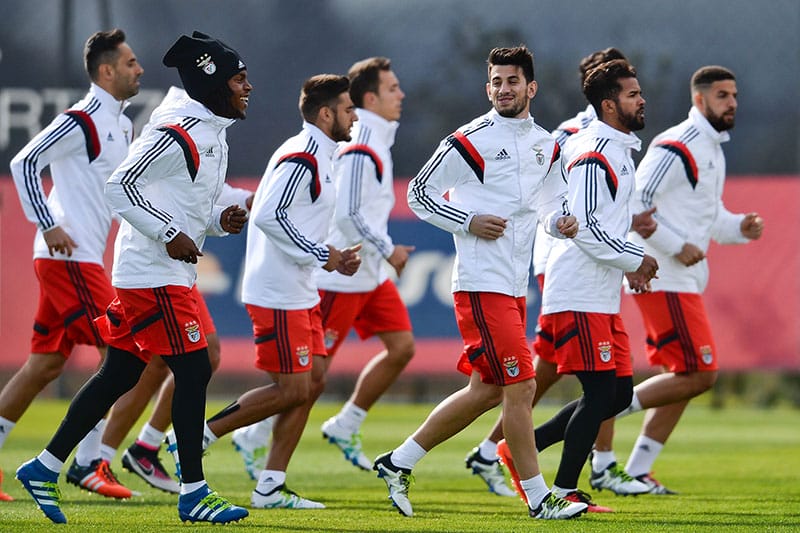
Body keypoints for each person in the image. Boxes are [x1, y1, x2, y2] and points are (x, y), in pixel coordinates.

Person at [15, 31, 252, 525]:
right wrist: (168, 233)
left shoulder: (212, 132)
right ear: (212, 83)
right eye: (237, 78)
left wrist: (217, 222)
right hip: (152, 274)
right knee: (193, 371)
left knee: (118, 374)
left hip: (160, 271)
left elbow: (189, 205)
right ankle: (194, 492)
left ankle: (44, 466)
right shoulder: (177, 131)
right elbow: (117, 187)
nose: (247, 87)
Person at [373, 45, 586, 520]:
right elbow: (419, 194)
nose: (503, 89)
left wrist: (561, 224)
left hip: (514, 285)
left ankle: (397, 461)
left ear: (531, 88)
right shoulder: (469, 139)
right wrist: (467, 219)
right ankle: (539, 498)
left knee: (487, 391)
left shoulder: (546, 144)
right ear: (487, 87)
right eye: (495, 81)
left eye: (512, 81)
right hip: (479, 283)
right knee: (522, 387)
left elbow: (552, 206)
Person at [165, 74, 361, 510]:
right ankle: (196, 439)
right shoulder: (303, 155)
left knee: (312, 383)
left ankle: (270, 485)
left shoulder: (324, 155)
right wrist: (322, 253)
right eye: (348, 109)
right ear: (326, 114)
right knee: (294, 388)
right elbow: (269, 215)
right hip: (277, 290)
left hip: (300, 288)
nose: (354, 116)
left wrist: (329, 257)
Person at [230, 57, 415, 477]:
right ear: (368, 99)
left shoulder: (374, 140)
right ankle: (253, 437)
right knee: (310, 378)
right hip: (341, 276)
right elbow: (347, 213)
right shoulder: (358, 145)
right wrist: (383, 248)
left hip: (366, 273)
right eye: (392, 88)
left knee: (402, 347)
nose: (400, 94)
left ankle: (346, 423)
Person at [590, 65, 764, 495]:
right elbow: (635, 205)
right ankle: (602, 409)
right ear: (700, 100)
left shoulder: (711, 150)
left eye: (735, 95)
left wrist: (739, 227)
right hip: (661, 275)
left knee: (684, 376)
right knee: (700, 374)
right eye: (723, 96)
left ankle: (637, 470)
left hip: (682, 276)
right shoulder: (677, 145)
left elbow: (709, 219)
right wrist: (675, 244)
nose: (733, 103)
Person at [466, 47, 629, 500]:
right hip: (562, 269)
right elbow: (563, 212)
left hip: (595, 276)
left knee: (561, 375)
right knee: (552, 377)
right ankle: (577, 472)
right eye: (630, 89)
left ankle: (505, 450)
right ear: (606, 94)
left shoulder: (614, 143)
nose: (639, 98)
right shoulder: (569, 138)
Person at [1, 29, 143, 502]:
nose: (138, 69)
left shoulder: (121, 125)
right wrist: (47, 223)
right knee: (121, 351)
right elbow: (24, 162)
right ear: (107, 71)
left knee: (44, 365)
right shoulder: (81, 119)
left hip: (76, 260)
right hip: (69, 259)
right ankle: (86, 462)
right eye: (130, 63)